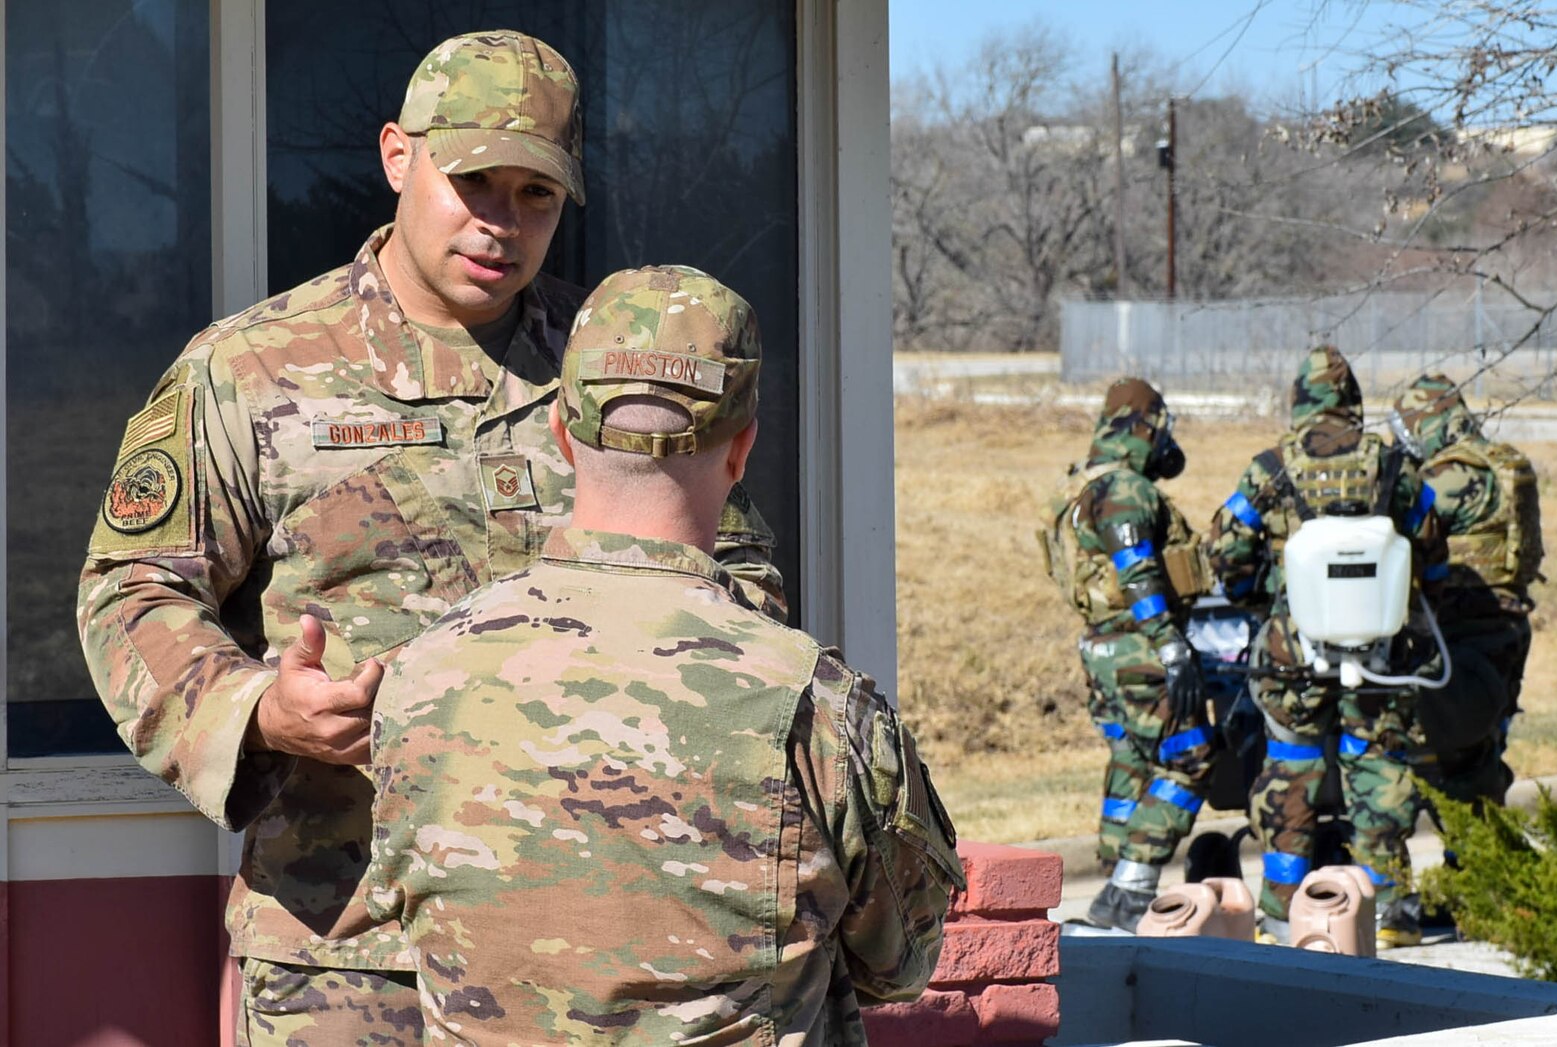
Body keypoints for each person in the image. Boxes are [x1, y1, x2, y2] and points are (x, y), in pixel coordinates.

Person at [74, 32, 781, 1043]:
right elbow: (130, 591)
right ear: (399, 157)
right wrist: (259, 708)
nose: (502, 222)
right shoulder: (251, 371)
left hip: (594, 941)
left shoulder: (613, 374)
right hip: (352, 945)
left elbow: (746, 591)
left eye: (536, 196)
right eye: (473, 182)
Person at [364, 265, 964, 1042]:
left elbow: (403, 929)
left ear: (560, 436)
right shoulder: (815, 706)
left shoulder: (420, 676)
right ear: (742, 448)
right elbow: (900, 962)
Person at [1207, 347, 1446, 948]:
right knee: (1377, 770)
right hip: (1380, 653)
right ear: (1353, 402)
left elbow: (1226, 548)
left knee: (1291, 772)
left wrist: (1259, 600)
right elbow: (1432, 543)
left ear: (1299, 402)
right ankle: (1387, 912)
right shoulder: (1393, 464)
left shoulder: (1271, 467)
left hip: (1294, 652)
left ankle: (1283, 912)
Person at [1040, 377, 1215, 931]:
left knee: (1133, 761)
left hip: (1103, 650)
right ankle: (1132, 890)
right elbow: (1136, 571)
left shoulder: (1081, 487)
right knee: (1189, 760)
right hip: (1141, 650)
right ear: (1141, 429)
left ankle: (1114, 890)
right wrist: (1171, 645)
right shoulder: (1125, 491)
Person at [1388, 374, 1544, 808]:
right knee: (1485, 747)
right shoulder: (1505, 461)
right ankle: (1486, 859)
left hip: (1462, 630)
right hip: (1510, 623)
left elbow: (1404, 530)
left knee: (1448, 759)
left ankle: (1472, 855)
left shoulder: (1449, 474)